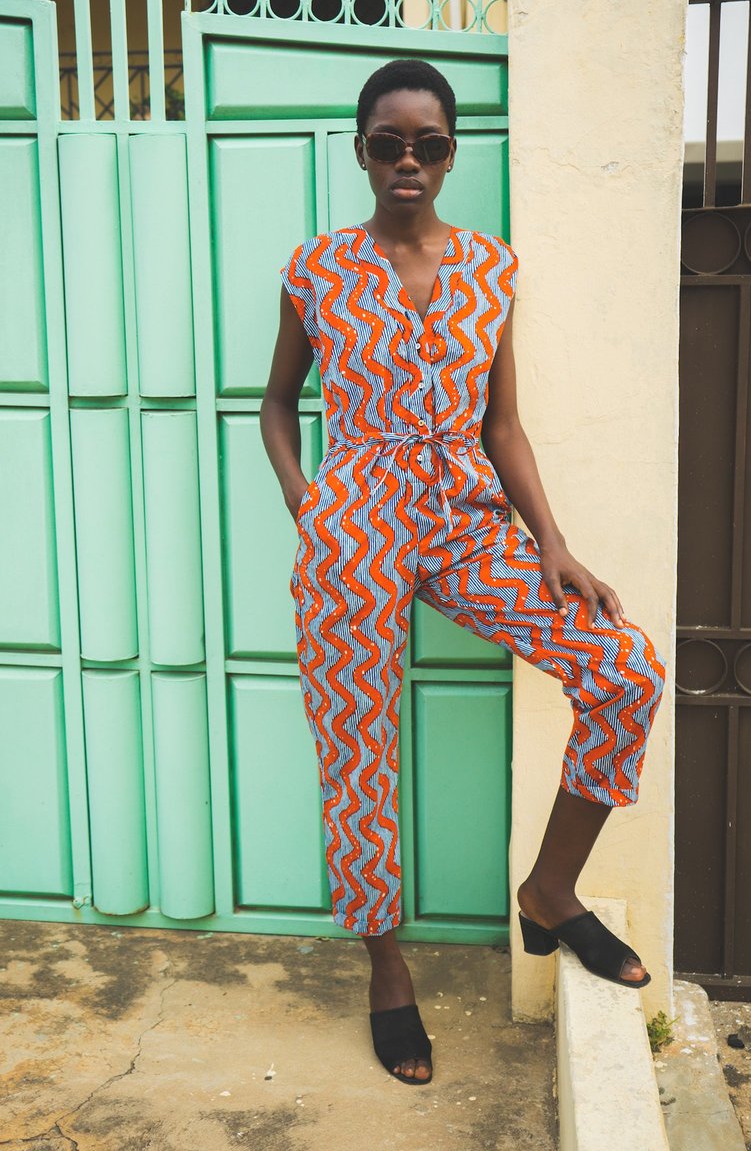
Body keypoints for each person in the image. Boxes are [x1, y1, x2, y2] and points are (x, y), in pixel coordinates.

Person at [260, 58, 667, 1086]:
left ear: (450, 155)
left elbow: (502, 424)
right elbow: (276, 404)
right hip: (353, 528)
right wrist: (311, 506)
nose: (409, 160)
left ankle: (549, 892)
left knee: (623, 669)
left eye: (429, 144)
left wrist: (551, 541)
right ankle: (385, 966)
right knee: (356, 747)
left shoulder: (491, 268)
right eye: (388, 143)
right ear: (361, 152)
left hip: (466, 522)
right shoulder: (314, 269)